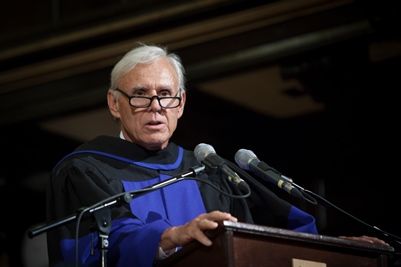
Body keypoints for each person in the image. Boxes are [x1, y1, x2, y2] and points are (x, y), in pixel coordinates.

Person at [46, 43, 387, 267]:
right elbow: (107, 242)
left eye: (166, 94)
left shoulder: (210, 171)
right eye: (139, 95)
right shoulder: (86, 169)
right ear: (113, 104)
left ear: (181, 103)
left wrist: (335, 251)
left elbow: (271, 238)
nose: (155, 107)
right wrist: (171, 236)